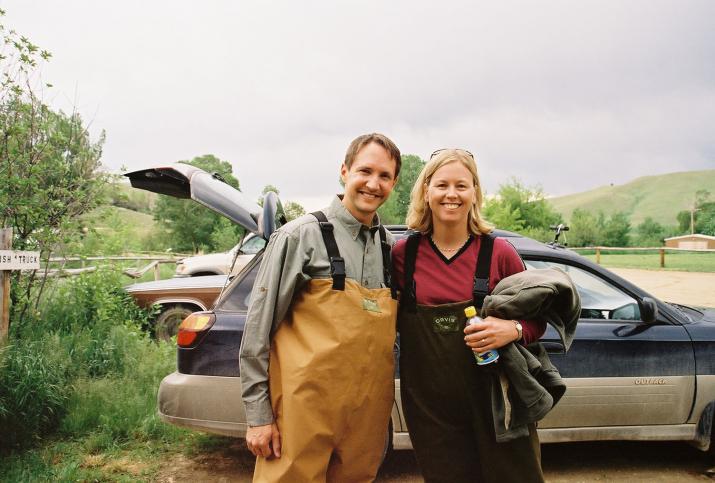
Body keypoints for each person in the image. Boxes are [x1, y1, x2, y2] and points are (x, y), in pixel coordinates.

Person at [239, 133, 401, 482]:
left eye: (384, 176)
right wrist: (259, 416)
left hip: (365, 419)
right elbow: (257, 332)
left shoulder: (388, 246)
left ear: (394, 182)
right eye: (365, 171)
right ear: (345, 171)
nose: (373, 184)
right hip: (300, 414)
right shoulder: (299, 236)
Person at [392, 148, 547, 483]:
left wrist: (514, 329)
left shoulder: (500, 254)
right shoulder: (403, 255)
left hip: (497, 403)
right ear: (426, 191)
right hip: (431, 411)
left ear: (475, 192)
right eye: (442, 185)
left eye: (462, 186)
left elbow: (540, 321)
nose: (451, 194)